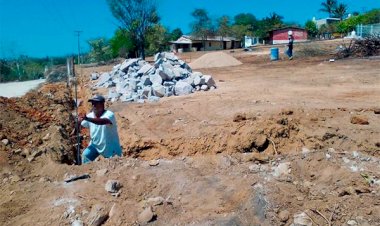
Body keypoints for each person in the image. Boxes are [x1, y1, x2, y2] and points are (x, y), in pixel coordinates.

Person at [79, 94, 122, 164]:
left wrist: (87, 119)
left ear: (102, 104)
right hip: (95, 145)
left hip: (110, 147)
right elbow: (82, 123)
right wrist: (79, 120)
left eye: (96, 103)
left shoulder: (109, 115)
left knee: (114, 165)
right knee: (85, 156)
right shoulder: (90, 115)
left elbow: (102, 121)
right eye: (92, 103)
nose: (93, 105)